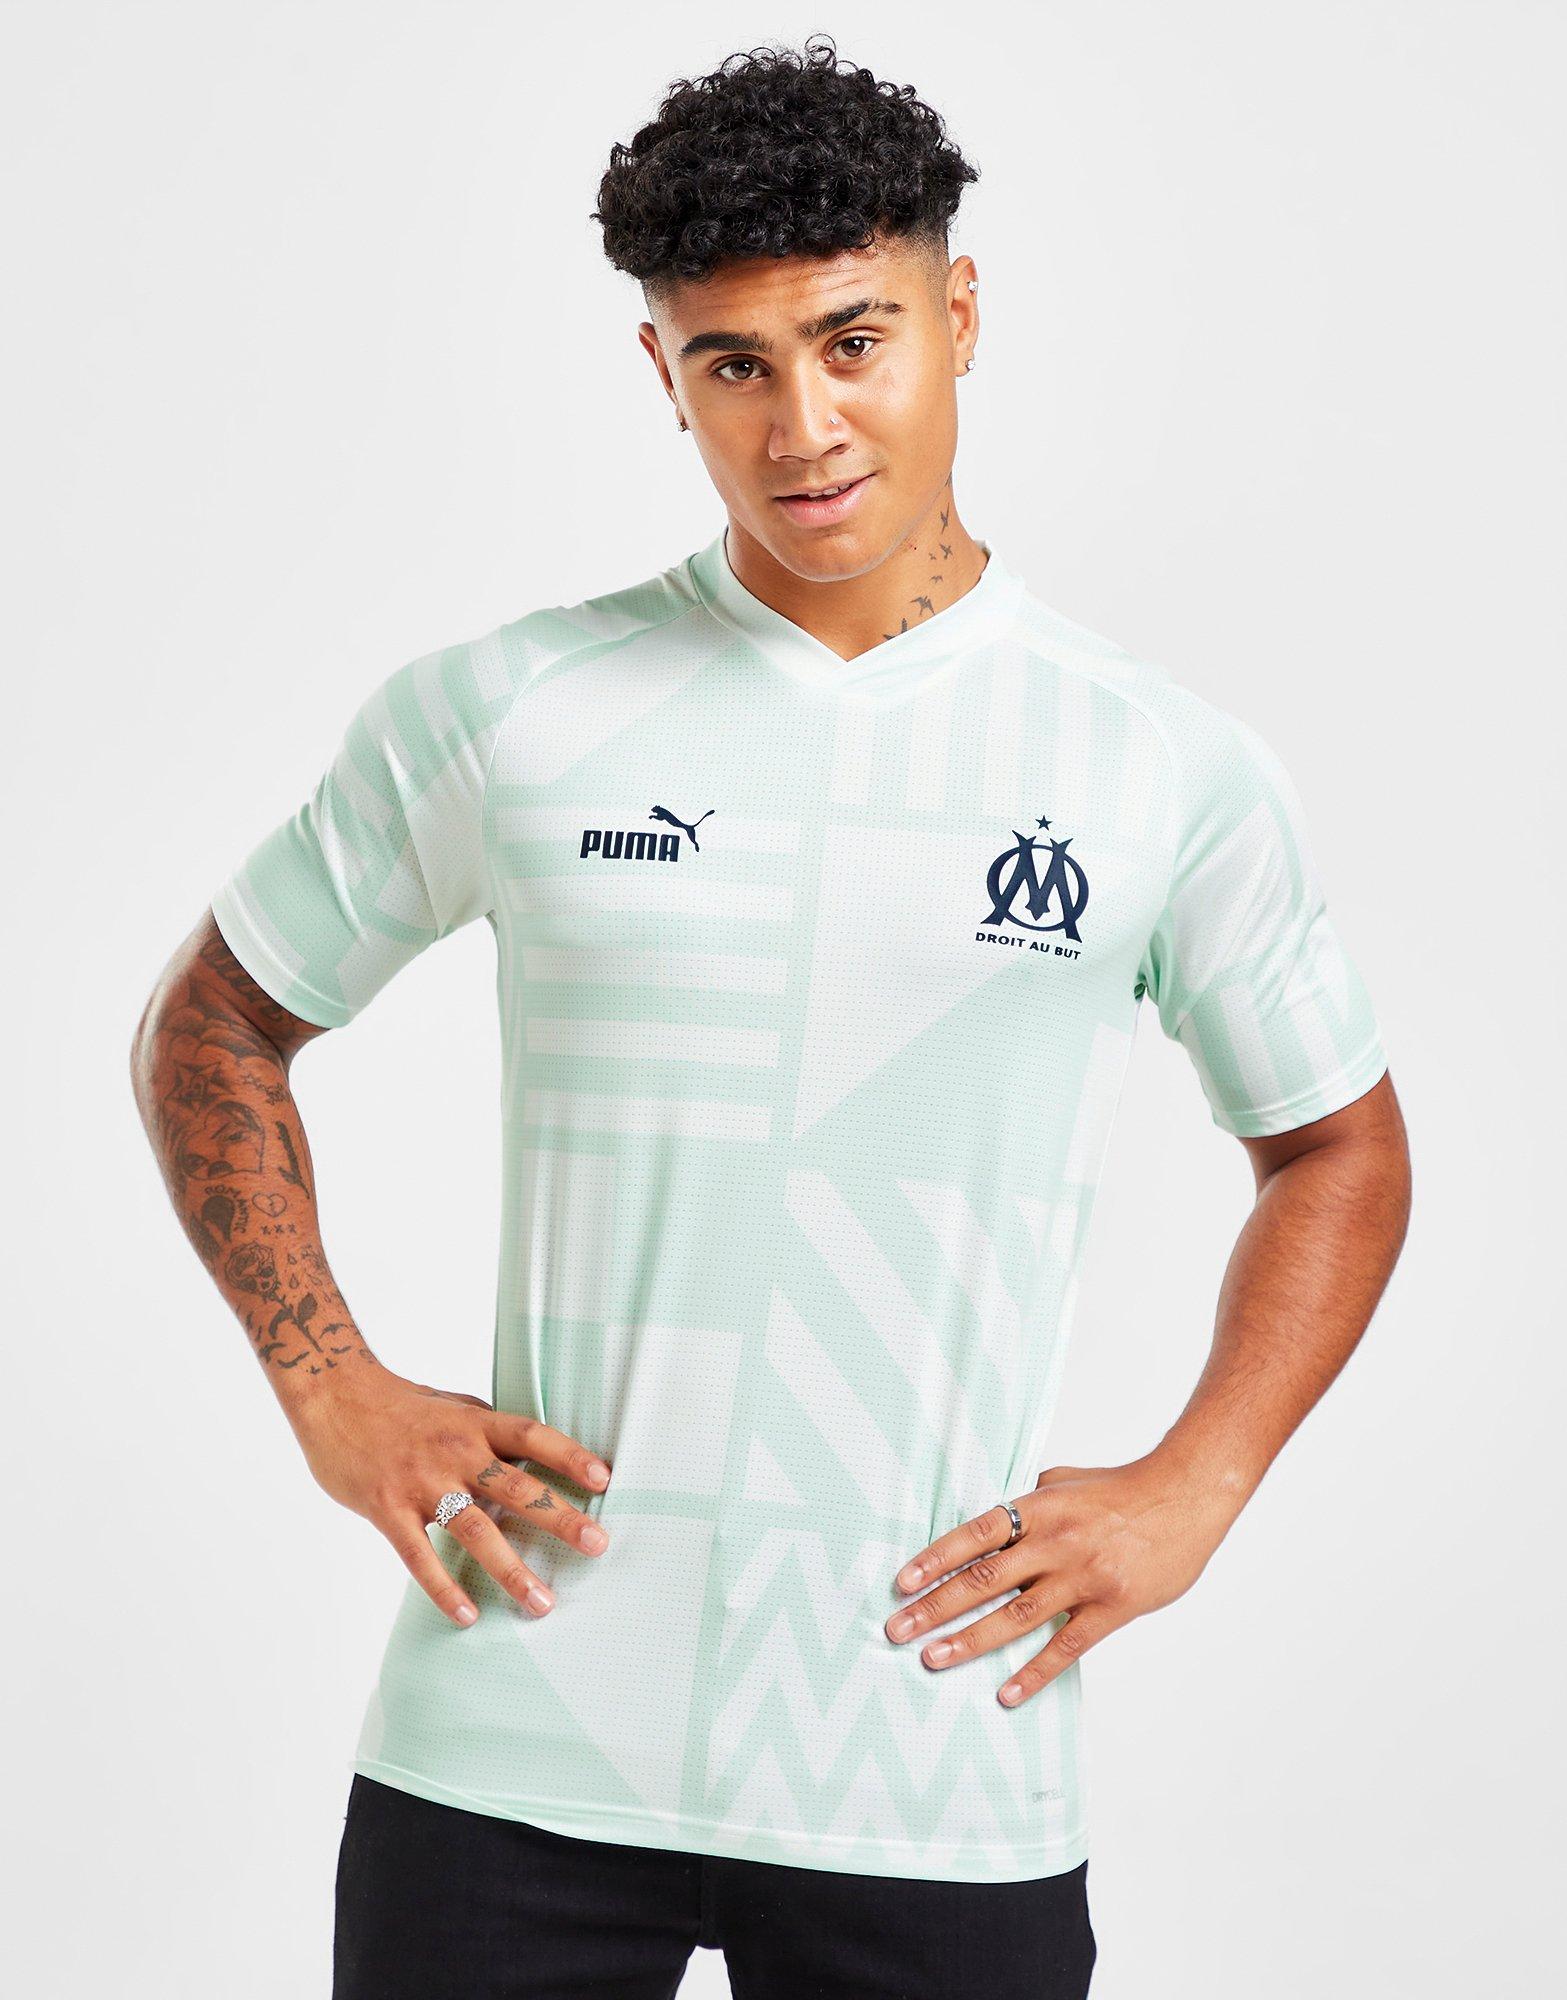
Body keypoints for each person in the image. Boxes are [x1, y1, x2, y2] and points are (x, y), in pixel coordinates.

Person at [130, 34, 1411, 2000]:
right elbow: (214, 1025)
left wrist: (1198, 1482)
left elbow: (1336, 1143)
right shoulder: (509, 713)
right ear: (661, 373)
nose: (803, 423)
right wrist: (329, 1385)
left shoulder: (1155, 763)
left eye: (852, 341)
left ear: (959, 316)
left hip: (931, 1755)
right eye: (733, 363)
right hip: (515, 1739)